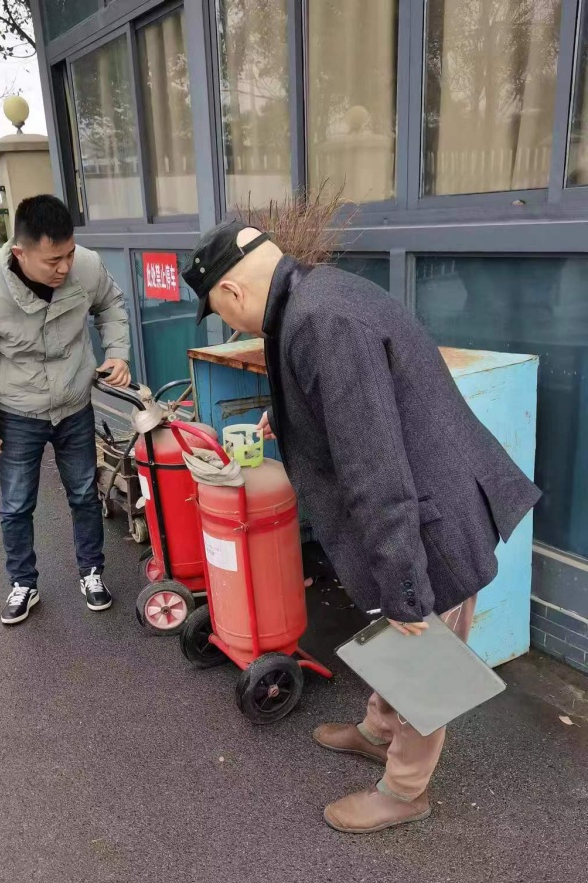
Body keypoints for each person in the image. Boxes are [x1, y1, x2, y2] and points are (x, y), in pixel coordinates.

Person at [182, 221, 541, 834]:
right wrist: (286, 419)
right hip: (428, 491)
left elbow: (375, 467)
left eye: (219, 312)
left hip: (428, 513)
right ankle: (378, 730)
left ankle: (404, 789)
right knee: (399, 633)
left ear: (234, 293)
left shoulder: (320, 320)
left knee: (422, 646)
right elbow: (356, 401)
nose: (229, 325)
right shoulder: (313, 293)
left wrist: (404, 585)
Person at [0, 194, 132, 625]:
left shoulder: (86, 266)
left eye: (69, 253)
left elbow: (111, 305)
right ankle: (23, 583)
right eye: (53, 260)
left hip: (74, 404)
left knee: (84, 494)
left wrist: (118, 352)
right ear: (20, 253)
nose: (65, 267)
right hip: (17, 413)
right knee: (16, 504)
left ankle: (92, 573)